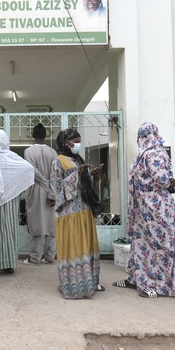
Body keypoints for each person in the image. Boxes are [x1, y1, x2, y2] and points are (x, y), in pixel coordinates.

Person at [114, 122, 175, 298]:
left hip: (156, 210)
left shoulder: (153, 153)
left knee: (160, 244)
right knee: (141, 243)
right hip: (144, 209)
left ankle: (160, 286)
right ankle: (136, 279)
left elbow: (162, 180)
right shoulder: (146, 154)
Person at [50, 128, 106, 299]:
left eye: (79, 141)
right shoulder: (57, 161)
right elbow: (56, 186)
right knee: (73, 247)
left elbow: (86, 185)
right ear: (65, 143)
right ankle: (73, 286)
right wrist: (76, 175)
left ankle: (90, 283)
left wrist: (93, 177)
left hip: (84, 211)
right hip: (69, 214)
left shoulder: (78, 159)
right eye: (74, 141)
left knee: (87, 246)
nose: (77, 144)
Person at [0, 129, 35, 274]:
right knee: (9, 233)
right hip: (10, 201)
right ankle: (9, 263)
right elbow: (28, 168)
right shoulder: (13, 157)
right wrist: (15, 186)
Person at [23, 124, 58, 265]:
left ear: (33, 135)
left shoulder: (28, 151)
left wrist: (44, 183)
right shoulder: (53, 152)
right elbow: (56, 174)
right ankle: (50, 256)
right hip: (52, 189)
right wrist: (50, 187)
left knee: (35, 222)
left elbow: (32, 170)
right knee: (50, 224)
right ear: (45, 135)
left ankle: (35, 258)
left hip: (36, 189)